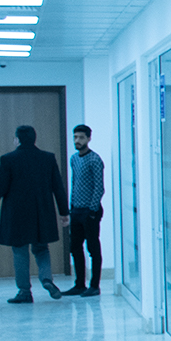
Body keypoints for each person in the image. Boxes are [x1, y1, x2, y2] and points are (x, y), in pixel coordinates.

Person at [0, 124, 69, 303]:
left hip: (17, 214)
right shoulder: (48, 158)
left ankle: (24, 291)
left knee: (20, 251)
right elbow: (58, 187)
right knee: (42, 249)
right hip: (42, 212)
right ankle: (47, 279)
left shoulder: (8, 159)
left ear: (17, 140)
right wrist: (64, 212)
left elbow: (1, 187)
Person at [63, 124, 105, 297]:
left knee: (93, 248)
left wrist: (92, 210)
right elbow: (74, 184)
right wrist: (71, 208)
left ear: (88, 138)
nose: (77, 140)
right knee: (75, 247)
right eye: (75, 137)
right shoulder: (74, 159)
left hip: (90, 211)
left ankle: (94, 285)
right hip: (76, 210)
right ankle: (79, 284)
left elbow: (99, 187)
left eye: (81, 137)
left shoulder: (95, 159)